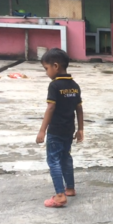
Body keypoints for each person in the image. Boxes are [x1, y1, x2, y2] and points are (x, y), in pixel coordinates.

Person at [35, 48, 84, 208]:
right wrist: (81, 129)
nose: (46, 72)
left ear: (55, 66)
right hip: (69, 129)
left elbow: (50, 108)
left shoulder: (54, 86)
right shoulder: (75, 85)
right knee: (65, 157)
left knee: (53, 160)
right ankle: (69, 188)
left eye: (46, 68)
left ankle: (59, 195)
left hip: (56, 131)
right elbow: (79, 109)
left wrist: (42, 130)